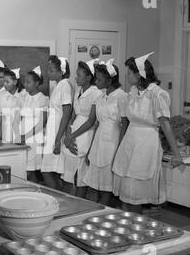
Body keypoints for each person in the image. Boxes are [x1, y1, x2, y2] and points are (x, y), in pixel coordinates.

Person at [112, 53, 183, 213]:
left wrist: (177, 154)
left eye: (130, 73)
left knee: (136, 192)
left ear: (140, 74)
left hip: (146, 144)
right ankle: (127, 225)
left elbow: (165, 124)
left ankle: (136, 227)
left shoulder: (156, 94)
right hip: (130, 142)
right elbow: (127, 120)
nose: (127, 76)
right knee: (125, 191)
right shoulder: (132, 92)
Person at [83, 59, 128, 206]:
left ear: (110, 80)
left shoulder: (121, 96)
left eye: (99, 79)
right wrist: (90, 149)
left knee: (108, 184)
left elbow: (124, 125)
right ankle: (93, 213)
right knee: (95, 183)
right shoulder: (101, 96)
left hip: (113, 141)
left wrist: (119, 151)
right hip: (99, 141)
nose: (96, 81)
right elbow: (96, 124)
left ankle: (102, 213)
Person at [62, 59, 102, 198]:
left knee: (81, 175)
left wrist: (72, 137)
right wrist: (68, 135)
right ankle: (69, 201)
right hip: (73, 131)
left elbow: (91, 121)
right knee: (69, 173)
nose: (76, 77)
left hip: (86, 134)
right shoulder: (78, 90)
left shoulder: (96, 93)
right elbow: (72, 115)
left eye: (79, 75)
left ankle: (80, 203)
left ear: (89, 77)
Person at [41, 57, 73, 191]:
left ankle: (58, 199)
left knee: (47, 171)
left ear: (61, 72)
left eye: (52, 70)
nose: (49, 73)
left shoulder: (65, 85)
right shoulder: (58, 85)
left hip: (57, 132)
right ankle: (58, 198)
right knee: (50, 171)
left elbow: (67, 113)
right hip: (52, 131)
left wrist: (58, 139)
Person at [20, 70, 49, 183]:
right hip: (22, 136)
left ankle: (35, 194)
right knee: (23, 169)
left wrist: (25, 136)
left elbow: (42, 122)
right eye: (24, 82)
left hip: (33, 138)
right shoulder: (25, 97)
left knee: (29, 171)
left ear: (37, 83)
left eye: (28, 82)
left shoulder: (43, 99)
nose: (25, 84)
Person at [0, 68, 26, 143]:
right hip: (5, 130)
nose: (4, 84)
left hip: (21, 130)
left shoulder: (24, 94)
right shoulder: (1, 95)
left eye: (7, 82)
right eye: (3, 82)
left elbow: (25, 115)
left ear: (15, 82)